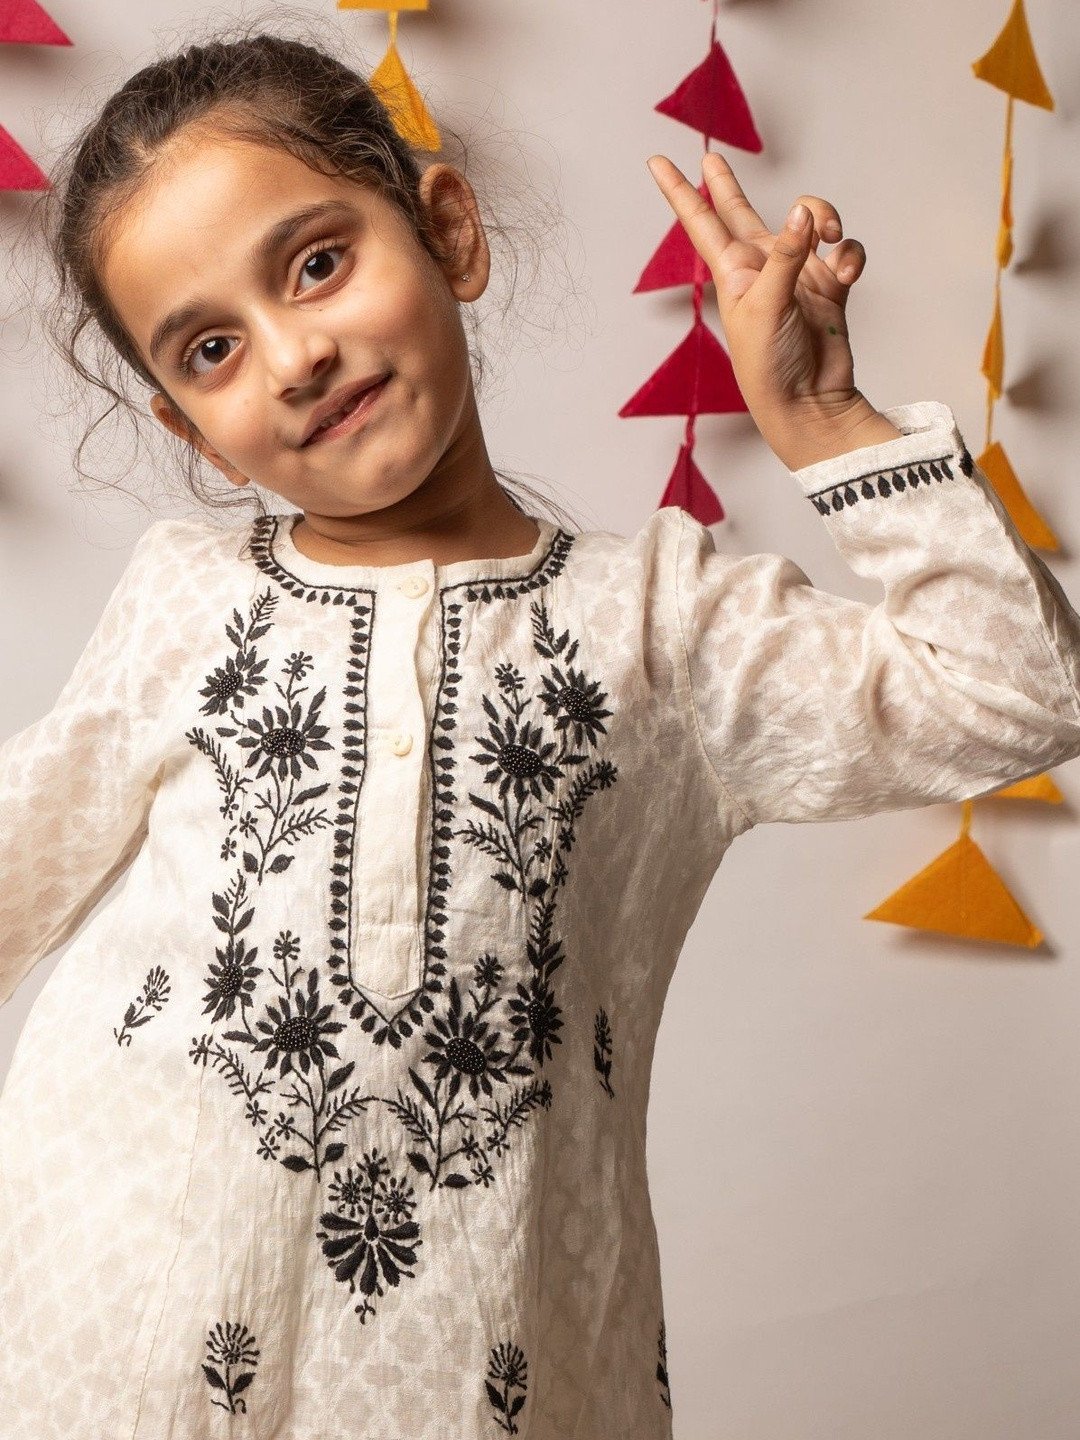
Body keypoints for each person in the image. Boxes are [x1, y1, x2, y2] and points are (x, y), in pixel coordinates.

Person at [2, 25, 1079, 1440]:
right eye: (213, 349)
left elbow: (1019, 690)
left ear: (449, 230)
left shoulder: (666, 627)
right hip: (112, 1343)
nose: (296, 354)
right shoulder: (184, 602)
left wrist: (824, 420)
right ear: (193, 430)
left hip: (490, 1369)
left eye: (316, 263)